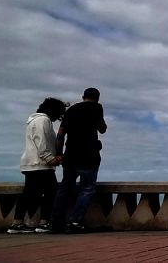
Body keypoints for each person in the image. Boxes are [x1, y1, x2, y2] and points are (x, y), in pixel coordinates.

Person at [7, 97, 69, 234]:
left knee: (29, 194)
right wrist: (50, 159)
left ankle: (17, 223)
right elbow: (41, 141)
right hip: (40, 165)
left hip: (31, 164)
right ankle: (43, 222)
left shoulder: (33, 120)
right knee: (51, 193)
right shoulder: (43, 120)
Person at [51, 87, 107, 233]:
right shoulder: (97, 108)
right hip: (89, 156)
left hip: (70, 156)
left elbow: (60, 134)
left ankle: (56, 223)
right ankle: (75, 222)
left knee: (64, 188)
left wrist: (59, 153)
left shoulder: (71, 110)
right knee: (87, 189)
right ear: (98, 98)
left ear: (83, 96)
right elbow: (102, 129)